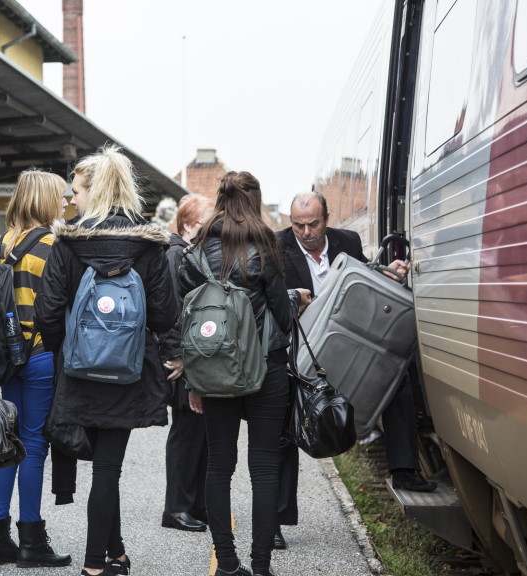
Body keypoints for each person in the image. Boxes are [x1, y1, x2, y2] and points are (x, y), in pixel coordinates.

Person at [35, 144, 179, 576]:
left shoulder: (67, 242)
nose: (70, 200)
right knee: (107, 468)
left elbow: (47, 310)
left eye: (75, 191)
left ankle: (98, 561)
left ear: (93, 193)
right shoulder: (149, 244)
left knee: (103, 469)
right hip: (130, 371)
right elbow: (165, 314)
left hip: (79, 370)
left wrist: (69, 350)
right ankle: (105, 557)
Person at [274, 191, 435, 546]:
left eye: (313, 223)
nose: (305, 232)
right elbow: (268, 301)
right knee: (281, 421)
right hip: (301, 351)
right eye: (298, 225)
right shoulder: (277, 247)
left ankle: (405, 471)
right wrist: (291, 300)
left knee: (396, 376)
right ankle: (275, 520)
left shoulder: (347, 241)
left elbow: (365, 281)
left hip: (345, 342)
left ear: (327, 219)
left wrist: (388, 273)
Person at [177, 171, 306, 576]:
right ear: (255, 201)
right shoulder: (266, 247)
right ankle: (262, 566)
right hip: (266, 368)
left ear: (220, 200)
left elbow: (186, 321)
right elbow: (283, 319)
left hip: (215, 371)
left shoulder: (196, 252)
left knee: (219, 465)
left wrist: (193, 380)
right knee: (265, 467)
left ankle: (228, 564)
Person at [0, 170, 72, 568]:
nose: (67, 202)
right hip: (37, 354)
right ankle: (31, 540)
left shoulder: (4, 243)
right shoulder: (53, 244)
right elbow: (55, 306)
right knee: (33, 444)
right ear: (44, 199)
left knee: (7, 442)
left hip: (7, 357)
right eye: (61, 196)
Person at [160, 194, 215, 532]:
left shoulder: (187, 253)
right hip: (183, 357)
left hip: (191, 354)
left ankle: (194, 504)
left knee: (198, 431)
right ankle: (176, 508)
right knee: (186, 431)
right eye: (210, 219)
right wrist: (176, 353)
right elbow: (170, 307)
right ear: (192, 223)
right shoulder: (175, 254)